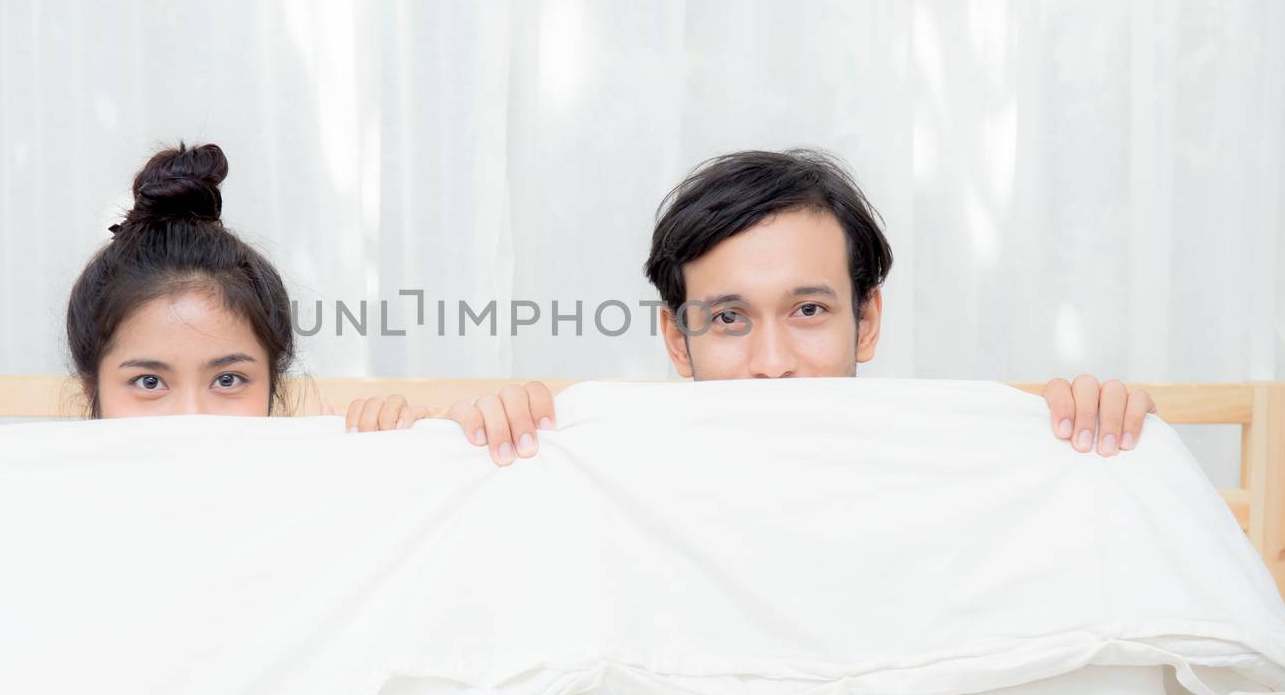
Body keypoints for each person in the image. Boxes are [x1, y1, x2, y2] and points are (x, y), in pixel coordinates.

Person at [444, 149, 1155, 465]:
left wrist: (1091, 441)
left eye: (808, 311)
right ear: (676, 335)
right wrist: (473, 449)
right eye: (728, 318)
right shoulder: (610, 464)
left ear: (867, 320)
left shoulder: (949, 460)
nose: (773, 363)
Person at [0, 143, 430, 479]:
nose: (190, 416)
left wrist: (454, 447)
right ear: (91, 390)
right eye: (147, 382)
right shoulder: (43, 507)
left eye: (229, 378)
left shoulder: (323, 496)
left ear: (273, 386)